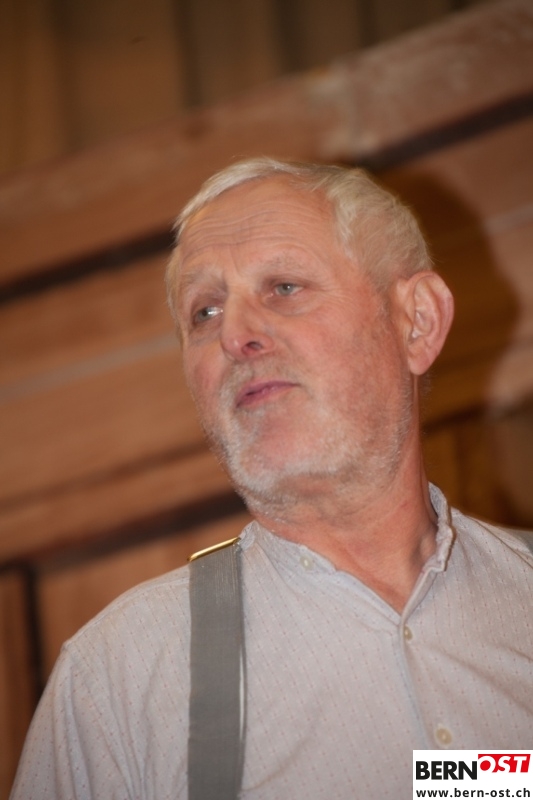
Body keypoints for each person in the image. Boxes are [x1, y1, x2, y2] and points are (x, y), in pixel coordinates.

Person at [11, 158, 533, 799]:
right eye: (205, 312)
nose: (234, 334)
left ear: (416, 322)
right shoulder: (118, 680)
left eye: (284, 287)